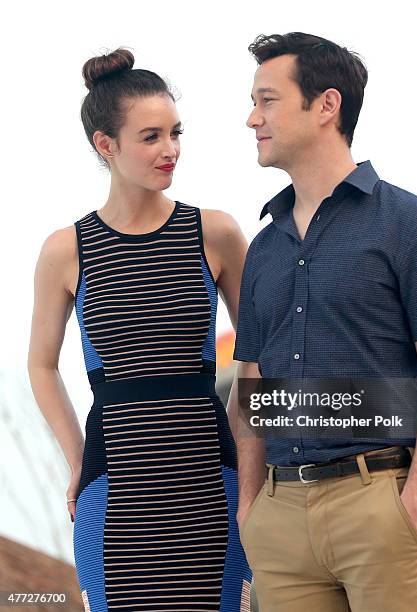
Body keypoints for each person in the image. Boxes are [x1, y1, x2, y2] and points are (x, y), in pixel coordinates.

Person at [231, 32, 417, 611]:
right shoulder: (264, 248)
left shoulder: (411, 223)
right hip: (280, 519)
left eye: (267, 100)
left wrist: (416, 497)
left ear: (326, 105)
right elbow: (249, 387)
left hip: (381, 505)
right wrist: (250, 508)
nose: (252, 118)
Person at [27, 47, 254, 611]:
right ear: (106, 144)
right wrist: (78, 458)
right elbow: (41, 364)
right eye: (151, 136)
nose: (170, 150)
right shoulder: (66, 249)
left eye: (176, 133)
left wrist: (243, 444)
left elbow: (259, 351)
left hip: (210, 477)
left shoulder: (215, 232)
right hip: (115, 483)